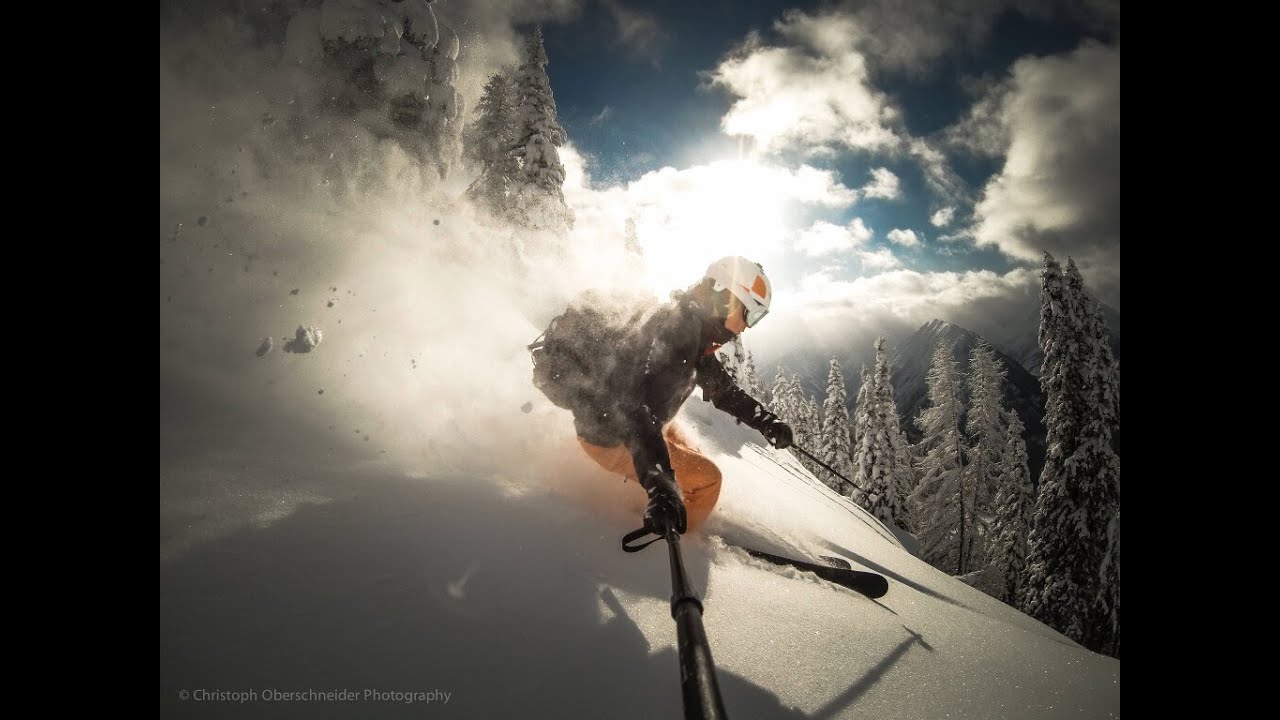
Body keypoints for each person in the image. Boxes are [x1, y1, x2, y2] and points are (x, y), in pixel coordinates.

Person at [572, 256, 793, 537]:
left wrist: (767, 422)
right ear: (726, 300)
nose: (748, 326)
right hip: (612, 436)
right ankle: (681, 539)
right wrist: (661, 484)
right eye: (750, 314)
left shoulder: (691, 327)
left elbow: (722, 391)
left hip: (633, 422)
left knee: (692, 454)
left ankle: (668, 504)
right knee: (709, 481)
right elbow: (631, 408)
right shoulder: (680, 338)